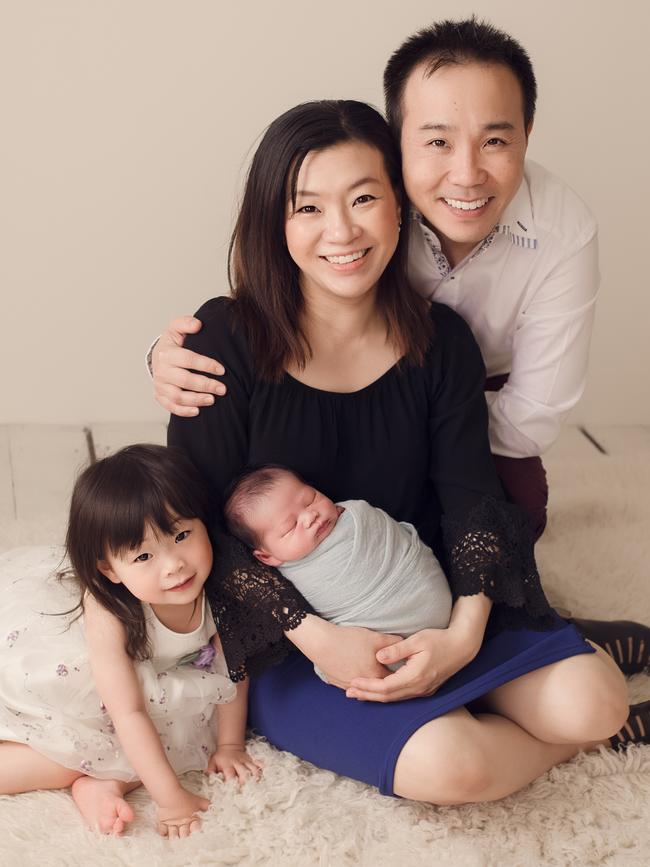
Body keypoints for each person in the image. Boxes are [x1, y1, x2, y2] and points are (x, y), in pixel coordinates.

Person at [161, 97, 648, 806]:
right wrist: (319, 637)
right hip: (292, 640)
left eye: (364, 197)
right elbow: (198, 527)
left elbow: (470, 498)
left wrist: (459, 634)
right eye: (308, 208)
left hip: (428, 596)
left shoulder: (439, 339)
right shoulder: (223, 339)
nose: (341, 231)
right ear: (275, 220)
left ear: (399, 207)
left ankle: (566, 721)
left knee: (595, 701)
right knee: (452, 767)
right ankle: (497, 736)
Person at [0, 445, 261, 838]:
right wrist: (171, 799)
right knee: (65, 752)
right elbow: (127, 714)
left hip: (152, 681)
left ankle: (102, 784)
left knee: (170, 739)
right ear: (110, 570)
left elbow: (233, 673)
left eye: (182, 534)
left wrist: (229, 745)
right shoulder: (107, 607)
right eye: (143, 557)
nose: (173, 565)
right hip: (77, 673)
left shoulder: (222, 589)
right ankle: (86, 776)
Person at [224, 465, 452, 679]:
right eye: (290, 526)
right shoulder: (281, 581)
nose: (309, 516)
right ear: (267, 557)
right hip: (386, 652)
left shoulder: (357, 513)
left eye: (310, 499)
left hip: (434, 602)